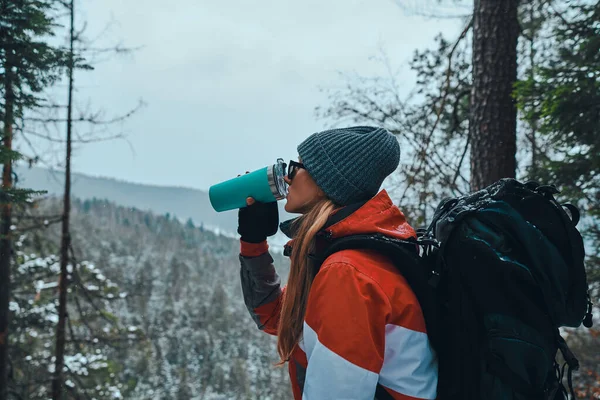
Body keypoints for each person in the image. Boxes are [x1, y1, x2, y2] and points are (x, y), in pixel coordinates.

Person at [238, 126, 438, 399]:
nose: (287, 176)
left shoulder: (348, 274)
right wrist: (253, 242)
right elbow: (278, 318)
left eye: (297, 167)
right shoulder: (347, 256)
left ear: (326, 182)